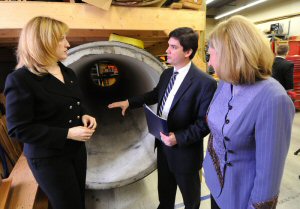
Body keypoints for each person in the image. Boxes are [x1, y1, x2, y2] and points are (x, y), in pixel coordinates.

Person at [108, 27, 217, 209]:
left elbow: (203, 124)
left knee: (191, 202)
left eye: (173, 47)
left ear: (188, 52)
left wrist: (178, 138)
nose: (167, 51)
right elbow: (154, 95)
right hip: (163, 148)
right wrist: (129, 102)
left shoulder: (205, 83)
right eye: (168, 45)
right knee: (165, 198)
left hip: (185, 154)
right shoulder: (167, 73)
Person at [4, 16, 97, 209]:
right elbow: (18, 129)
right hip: (49, 159)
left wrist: (85, 114)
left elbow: (75, 103)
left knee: (79, 200)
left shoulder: (68, 73)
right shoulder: (20, 79)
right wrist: (68, 133)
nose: (68, 44)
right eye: (61, 39)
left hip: (76, 151)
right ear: (44, 42)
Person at [203, 15, 295, 209]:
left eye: (211, 55)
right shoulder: (226, 81)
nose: (210, 64)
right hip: (215, 186)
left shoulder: (273, 99)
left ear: (232, 55)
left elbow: (268, 178)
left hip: (239, 198)